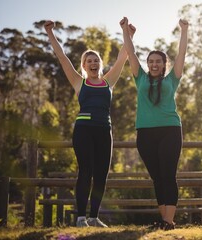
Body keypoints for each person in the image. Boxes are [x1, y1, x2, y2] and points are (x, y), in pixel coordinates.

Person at [44, 20, 135, 227]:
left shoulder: (109, 82)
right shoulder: (79, 82)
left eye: (96, 61)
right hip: (83, 130)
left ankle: (94, 217)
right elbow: (62, 57)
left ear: (100, 64)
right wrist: (50, 33)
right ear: (84, 66)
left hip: (104, 130)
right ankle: (81, 218)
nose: (93, 63)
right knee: (86, 171)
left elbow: (123, 56)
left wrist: (128, 34)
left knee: (102, 173)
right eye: (89, 61)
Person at [120, 17, 188, 230]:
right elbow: (130, 53)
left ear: (164, 64)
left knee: (168, 174)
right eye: (151, 61)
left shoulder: (172, 79)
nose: (154, 64)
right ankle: (164, 219)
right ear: (147, 64)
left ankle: (169, 220)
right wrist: (125, 30)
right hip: (145, 133)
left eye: (158, 61)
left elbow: (182, 54)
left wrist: (184, 30)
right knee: (157, 177)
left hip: (170, 130)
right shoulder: (139, 77)